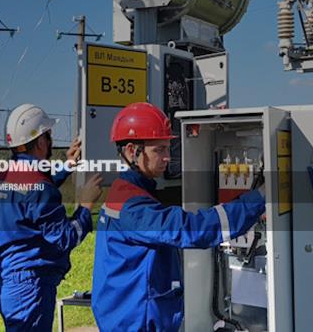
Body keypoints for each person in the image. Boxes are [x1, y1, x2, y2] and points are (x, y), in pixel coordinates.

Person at [91, 102, 266, 331]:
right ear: (133, 151)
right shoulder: (133, 206)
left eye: (167, 149)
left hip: (128, 318)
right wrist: (259, 199)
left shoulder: (126, 193)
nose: (167, 158)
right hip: (135, 324)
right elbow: (190, 229)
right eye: (159, 150)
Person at [0, 103, 102, 331]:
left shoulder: (0, 178)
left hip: (5, 279)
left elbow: (32, 200)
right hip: (30, 285)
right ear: (40, 141)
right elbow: (66, 238)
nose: (50, 142)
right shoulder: (38, 187)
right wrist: (86, 206)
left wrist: (67, 166)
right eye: (48, 136)